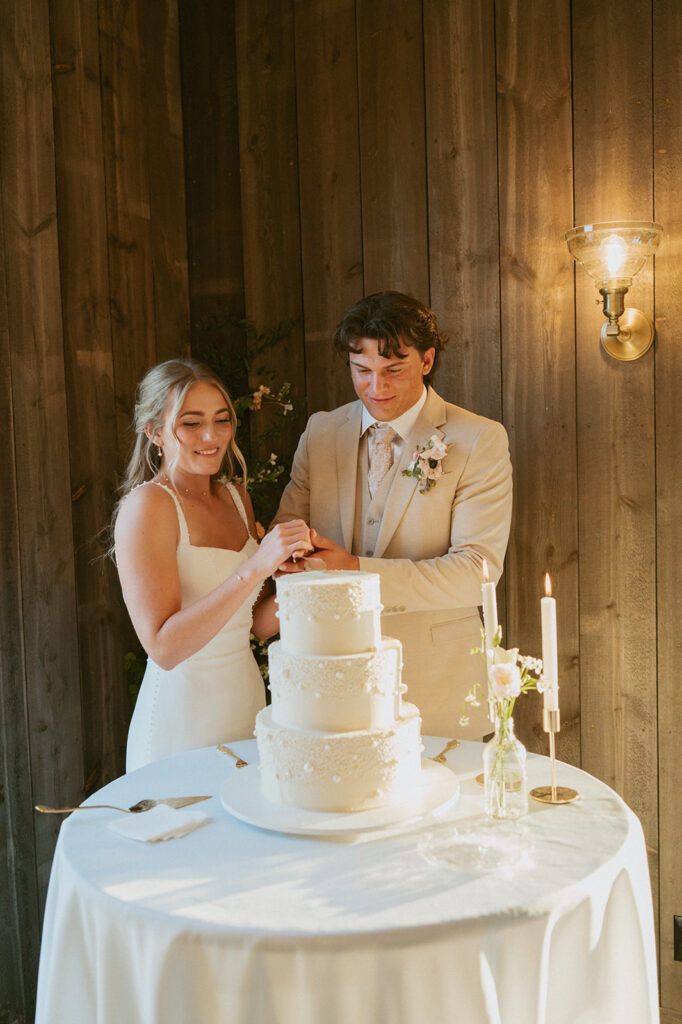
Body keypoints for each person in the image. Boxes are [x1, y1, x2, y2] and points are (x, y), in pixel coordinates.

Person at [273, 291, 513, 737]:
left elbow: (475, 573)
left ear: (426, 360)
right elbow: (284, 540)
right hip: (330, 676)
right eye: (361, 371)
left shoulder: (478, 439)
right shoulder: (321, 432)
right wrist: (288, 556)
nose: (376, 388)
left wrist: (355, 570)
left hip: (438, 685)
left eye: (393, 370)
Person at [113, 358, 310, 772]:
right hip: (180, 718)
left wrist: (301, 582)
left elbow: (252, 625)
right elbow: (164, 648)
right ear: (154, 432)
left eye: (222, 420)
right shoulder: (149, 506)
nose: (211, 436)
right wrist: (256, 566)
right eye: (191, 423)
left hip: (244, 705)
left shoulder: (236, 497)